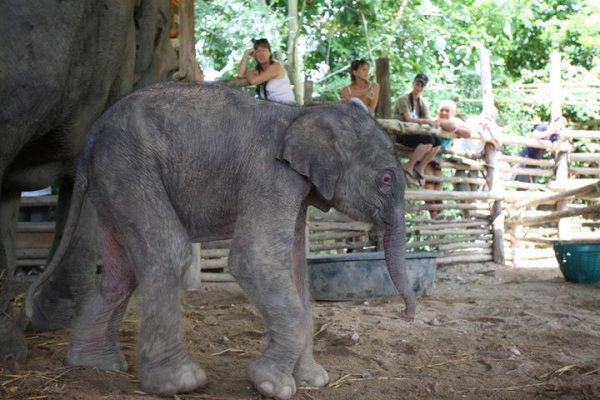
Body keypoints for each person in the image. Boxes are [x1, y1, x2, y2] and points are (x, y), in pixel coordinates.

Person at [423, 100, 472, 219]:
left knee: (438, 183)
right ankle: (433, 215)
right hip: (426, 156)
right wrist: (452, 126)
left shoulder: (455, 122)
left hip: (438, 158)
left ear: (453, 113)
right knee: (429, 183)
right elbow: (448, 125)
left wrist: (455, 127)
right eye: (442, 110)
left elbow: (468, 133)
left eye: (447, 110)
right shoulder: (435, 121)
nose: (444, 112)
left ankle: (440, 214)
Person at [394, 73, 440, 186]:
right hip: (402, 133)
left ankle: (420, 167)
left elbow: (428, 118)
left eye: (421, 86)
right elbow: (408, 119)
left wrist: (434, 123)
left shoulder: (422, 103)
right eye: (417, 84)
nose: (418, 88)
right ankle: (409, 167)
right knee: (428, 141)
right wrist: (427, 122)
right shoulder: (403, 99)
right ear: (413, 83)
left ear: (424, 88)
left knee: (438, 142)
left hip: (415, 134)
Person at [237, 38, 295, 103]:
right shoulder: (260, 71)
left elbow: (254, 81)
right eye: (258, 51)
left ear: (270, 53)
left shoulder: (276, 66)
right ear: (255, 55)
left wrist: (246, 70)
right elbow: (240, 74)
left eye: (263, 50)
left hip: (287, 107)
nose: (261, 54)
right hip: (275, 107)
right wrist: (246, 54)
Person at [515, 117, 567, 184]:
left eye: (563, 125)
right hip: (526, 157)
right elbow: (534, 135)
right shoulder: (543, 127)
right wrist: (550, 132)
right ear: (554, 123)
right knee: (523, 183)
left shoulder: (555, 136)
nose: (561, 126)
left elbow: (556, 148)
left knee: (534, 184)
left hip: (536, 161)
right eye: (560, 123)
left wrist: (560, 138)